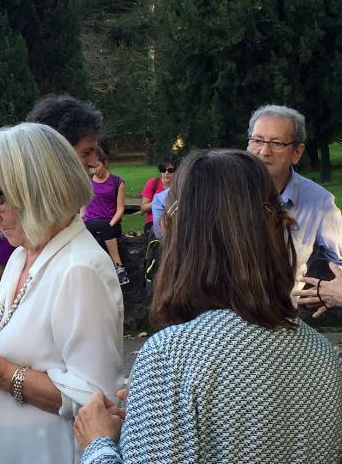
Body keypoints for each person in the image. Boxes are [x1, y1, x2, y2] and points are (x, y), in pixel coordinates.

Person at [74, 149, 342, 463]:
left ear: (180, 233)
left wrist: (98, 442)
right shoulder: (322, 356)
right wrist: (152, 417)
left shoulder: (171, 357)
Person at [0, 123, 124, 464]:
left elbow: (98, 403)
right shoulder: (21, 255)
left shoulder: (80, 268)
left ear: (37, 189)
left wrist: (1, 373)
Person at [0, 94, 104, 297]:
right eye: (86, 153)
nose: (94, 162)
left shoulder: (82, 265)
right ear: (53, 155)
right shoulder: (13, 218)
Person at [246, 104, 342, 289]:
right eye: (257, 140)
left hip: (285, 305)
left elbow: (339, 263)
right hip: (222, 306)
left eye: (277, 143)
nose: (264, 151)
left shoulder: (319, 203)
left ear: (297, 153)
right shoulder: (224, 193)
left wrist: (331, 293)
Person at [82, 148, 129, 285]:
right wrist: (82, 219)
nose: (94, 170)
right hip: (91, 221)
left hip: (110, 222)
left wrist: (110, 223)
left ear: (105, 163)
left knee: (105, 227)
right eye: (91, 168)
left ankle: (119, 269)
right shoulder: (88, 181)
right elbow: (84, 205)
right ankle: (118, 268)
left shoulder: (117, 182)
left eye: (97, 166)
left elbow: (120, 209)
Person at [139, 156, 178, 236]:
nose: (166, 173)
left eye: (170, 170)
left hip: (175, 222)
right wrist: (159, 202)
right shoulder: (153, 183)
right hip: (153, 222)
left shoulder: (179, 186)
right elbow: (143, 208)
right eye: (163, 169)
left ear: (176, 171)